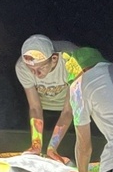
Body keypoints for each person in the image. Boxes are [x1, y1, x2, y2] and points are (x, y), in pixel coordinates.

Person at [15, 34, 78, 163]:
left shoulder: (70, 61)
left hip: (71, 107)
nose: (36, 74)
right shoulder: (21, 66)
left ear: (54, 59)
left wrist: (52, 148)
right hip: (44, 106)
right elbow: (35, 108)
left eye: (41, 68)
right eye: (31, 69)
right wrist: (36, 145)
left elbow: (68, 110)